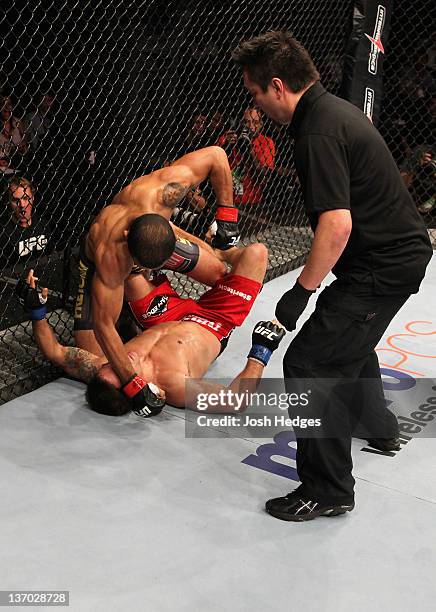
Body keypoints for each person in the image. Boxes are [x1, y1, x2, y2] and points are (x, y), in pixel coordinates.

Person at [232, 30, 433, 521]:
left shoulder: (317, 129)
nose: (255, 102)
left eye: (255, 93)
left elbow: (336, 224)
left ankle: (328, 489)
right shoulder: (331, 112)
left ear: (277, 86)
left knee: (311, 362)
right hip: (387, 256)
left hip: (382, 263)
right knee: (345, 339)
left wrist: (298, 295)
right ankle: (378, 426)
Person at [17, 244, 285, 415]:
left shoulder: (103, 370)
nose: (121, 360)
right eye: (123, 372)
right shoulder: (175, 387)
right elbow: (235, 401)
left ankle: (197, 249)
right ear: (137, 390)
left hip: (161, 315)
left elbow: (56, 352)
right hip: (214, 320)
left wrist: (36, 310)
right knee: (256, 253)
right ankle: (224, 251)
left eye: (112, 364)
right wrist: (260, 353)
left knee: (131, 256)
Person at [75, 146, 240, 413]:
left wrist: (227, 217)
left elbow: (217, 155)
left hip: (159, 236)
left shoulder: (164, 192)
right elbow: (103, 326)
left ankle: (190, 250)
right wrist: (133, 385)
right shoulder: (112, 258)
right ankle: (134, 312)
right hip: (103, 260)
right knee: (94, 354)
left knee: (221, 273)